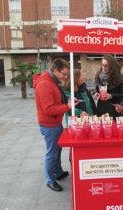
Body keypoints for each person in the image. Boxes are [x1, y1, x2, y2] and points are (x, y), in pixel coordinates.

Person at [33, 58, 77, 192]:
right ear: (56, 71)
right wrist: (67, 106)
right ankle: (49, 179)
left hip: (55, 123)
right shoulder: (45, 84)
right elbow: (49, 109)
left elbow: (57, 100)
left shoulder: (53, 81)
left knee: (57, 150)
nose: (65, 77)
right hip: (49, 125)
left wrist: (68, 101)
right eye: (63, 74)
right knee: (52, 153)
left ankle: (57, 172)